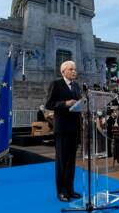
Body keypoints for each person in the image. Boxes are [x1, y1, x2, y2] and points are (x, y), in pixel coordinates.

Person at [45, 60, 82, 202]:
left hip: (75, 129)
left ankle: (70, 189)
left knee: (71, 161)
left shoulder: (77, 86)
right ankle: (61, 191)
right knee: (61, 161)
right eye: (71, 69)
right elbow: (49, 104)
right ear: (63, 71)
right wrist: (65, 103)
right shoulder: (56, 84)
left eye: (75, 69)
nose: (74, 71)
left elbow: (78, 103)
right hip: (62, 129)